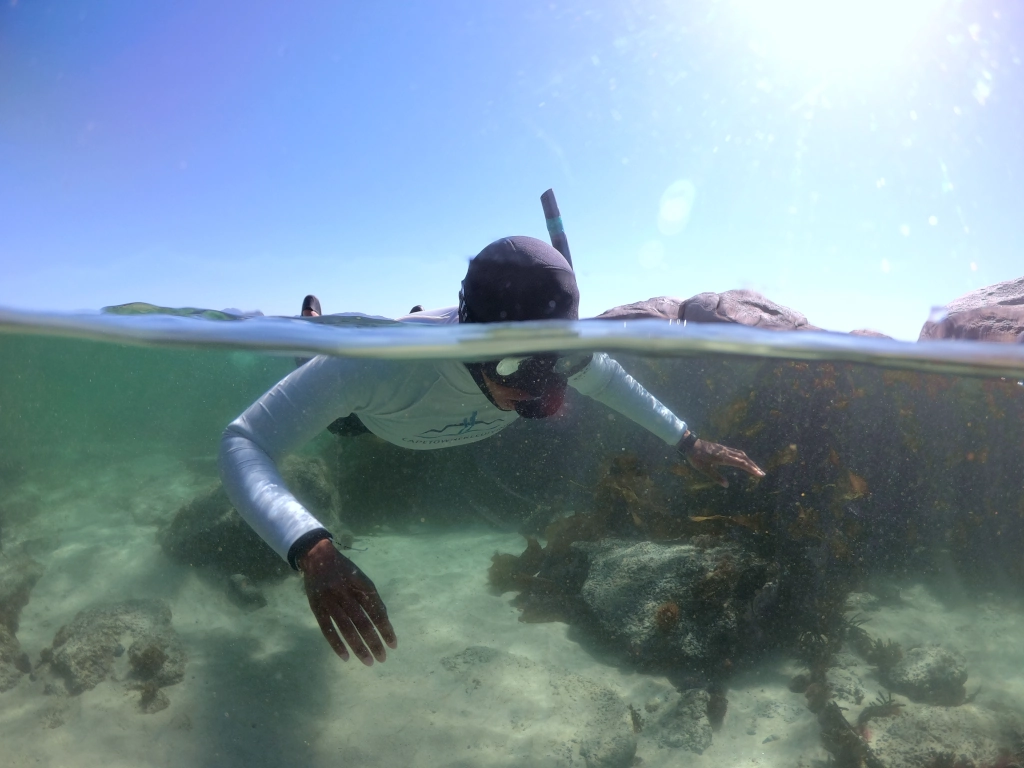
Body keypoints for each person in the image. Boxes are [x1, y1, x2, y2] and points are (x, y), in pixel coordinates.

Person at [219, 236, 765, 666]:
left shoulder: (563, 357)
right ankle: (310, 331)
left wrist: (688, 441)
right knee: (331, 406)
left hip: (421, 407)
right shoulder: (373, 365)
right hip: (372, 417)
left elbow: (609, 380)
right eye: (515, 367)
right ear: (471, 341)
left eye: (549, 365)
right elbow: (244, 440)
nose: (534, 390)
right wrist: (309, 547)